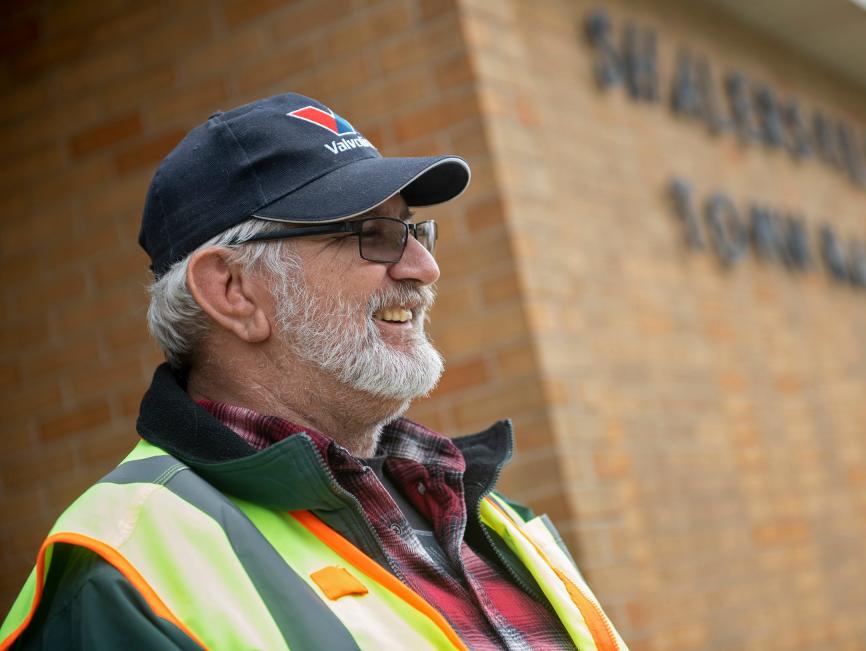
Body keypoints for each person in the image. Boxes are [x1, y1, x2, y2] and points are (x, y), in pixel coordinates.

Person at [1, 93, 626, 650]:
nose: (423, 268)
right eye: (371, 233)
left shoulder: (486, 514)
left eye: (413, 231)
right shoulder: (120, 570)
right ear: (232, 291)